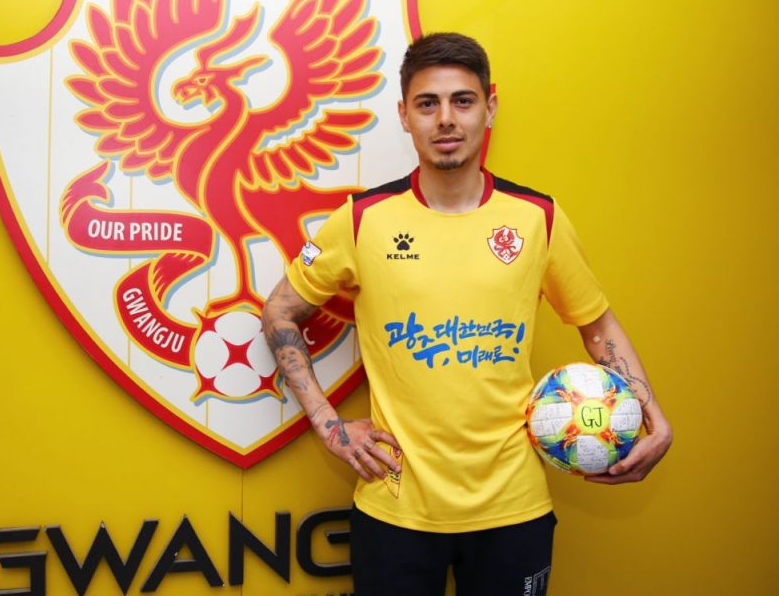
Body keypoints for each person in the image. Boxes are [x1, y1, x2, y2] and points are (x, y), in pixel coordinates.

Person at [262, 32, 673, 596]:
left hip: (514, 507)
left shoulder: (538, 218)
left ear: (490, 107)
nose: (446, 119)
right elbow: (280, 312)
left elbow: (597, 326)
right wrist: (328, 424)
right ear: (404, 115)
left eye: (463, 100)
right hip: (396, 508)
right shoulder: (361, 220)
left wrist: (651, 415)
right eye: (427, 104)